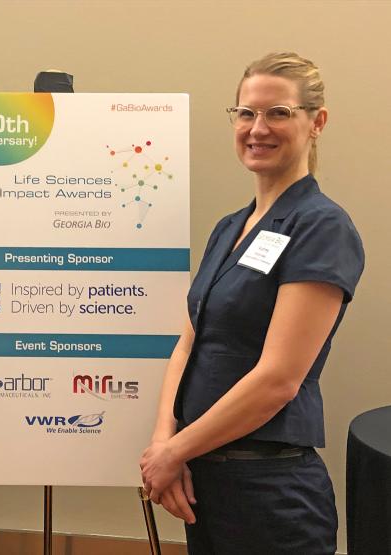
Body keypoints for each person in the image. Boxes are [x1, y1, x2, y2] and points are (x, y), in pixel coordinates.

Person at [139, 52, 364, 554]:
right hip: (205, 484)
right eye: (246, 113)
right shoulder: (228, 228)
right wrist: (162, 445)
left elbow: (278, 379)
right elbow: (188, 344)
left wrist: (174, 451)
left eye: (278, 113)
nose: (257, 128)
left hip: (270, 491)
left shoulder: (322, 228)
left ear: (316, 122)